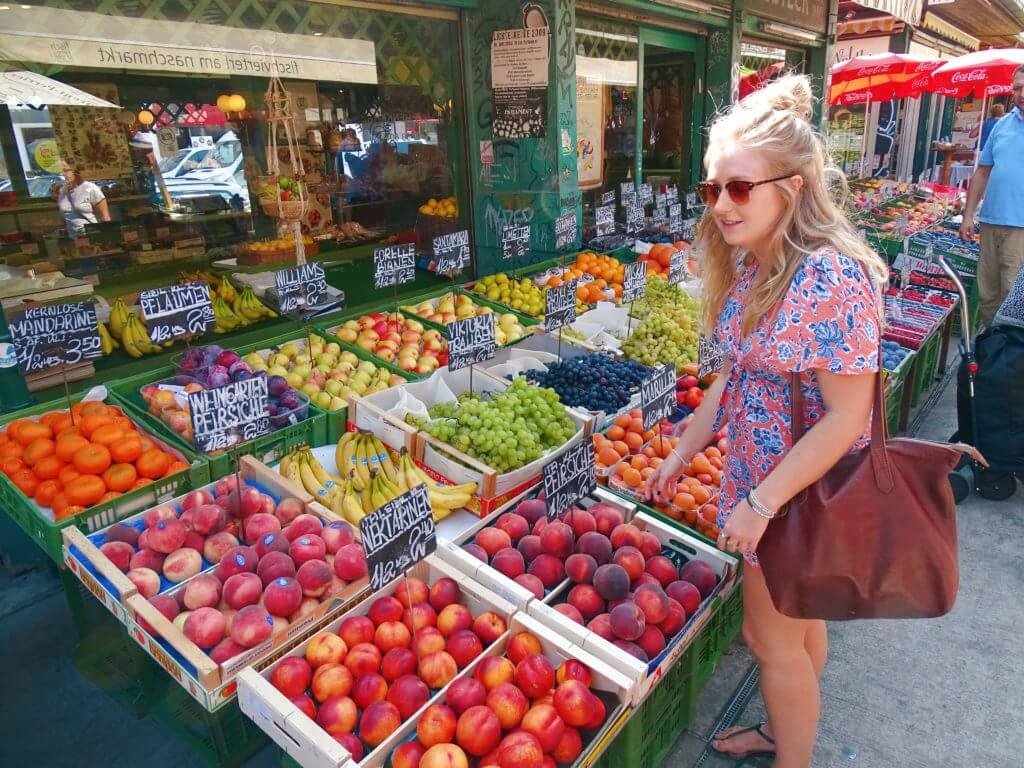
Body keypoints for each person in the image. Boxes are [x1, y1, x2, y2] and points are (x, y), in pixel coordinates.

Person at [647, 75, 888, 768]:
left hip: (794, 494)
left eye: (740, 188)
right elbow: (737, 377)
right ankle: (788, 732)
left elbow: (847, 417)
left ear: (794, 187)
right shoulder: (760, 267)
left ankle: (792, 754)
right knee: (797, 626)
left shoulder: (828, 277)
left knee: (769, 639)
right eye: (712, 189)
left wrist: (760, 504)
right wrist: (682, 455)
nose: (722, 205)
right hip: (767, 484)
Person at [959, 65, 1024, 324]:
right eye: (1017, 87)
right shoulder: (1002, 124)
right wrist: (968, 216)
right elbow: (982, 172)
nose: (1021, 94)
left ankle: (1010, 348)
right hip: (990, 222)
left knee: (1013, 299)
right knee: (988, 295)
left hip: (1020, 228)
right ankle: (991, 343)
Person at [56, 161, 110, 237]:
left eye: (66, 170)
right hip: (74, 238)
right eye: (61, 171)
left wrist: (107, 237)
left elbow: (105, 216)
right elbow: (65, 217)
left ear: (76, 171)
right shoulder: (62, 191)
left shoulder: (90, 188)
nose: (63, 174)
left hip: (92, 235)